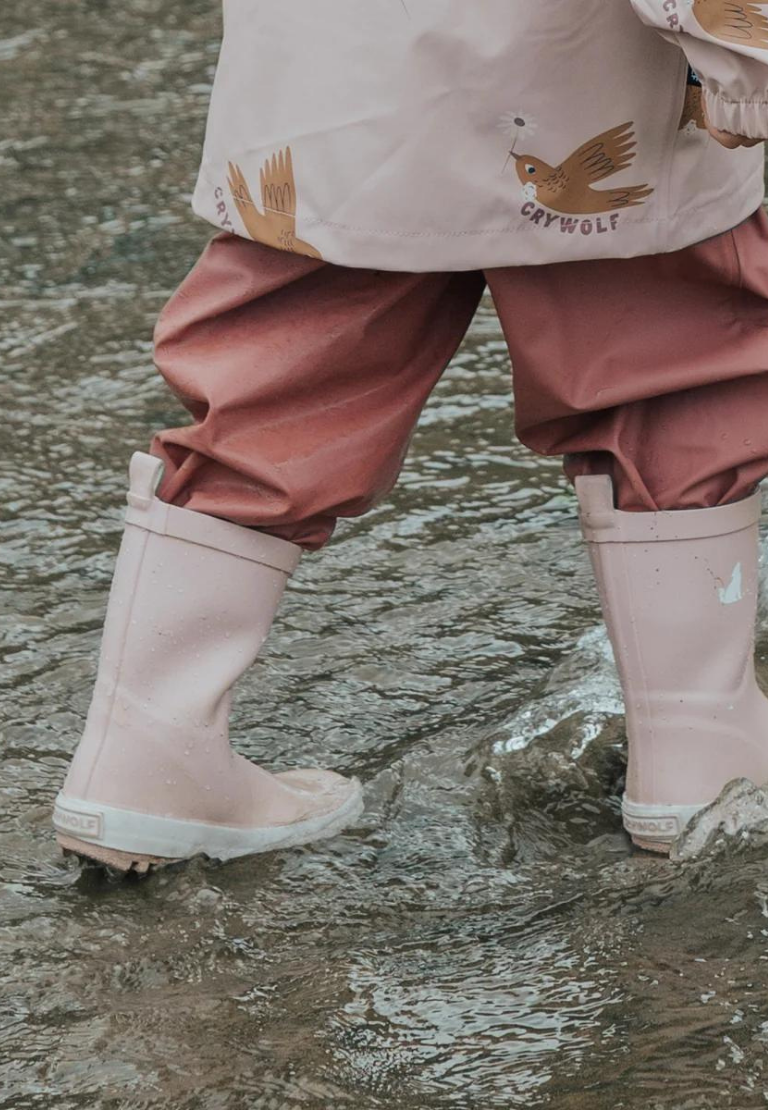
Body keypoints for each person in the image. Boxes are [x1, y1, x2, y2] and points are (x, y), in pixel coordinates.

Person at [53, 1, 768, 870]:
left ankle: (144, 758)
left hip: (331, 45)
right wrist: (734, 26)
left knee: (288, 357)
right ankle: (698, 750)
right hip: (571, 46)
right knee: (666, 348)